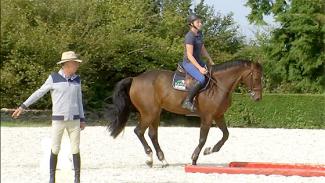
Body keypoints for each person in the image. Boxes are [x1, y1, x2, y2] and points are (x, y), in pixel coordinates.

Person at [12, 51, 86, 183]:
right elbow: (39, 93)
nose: (76, 66)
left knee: (75, 148)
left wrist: (82, 118)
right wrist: (23, 106)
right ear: (66, 65)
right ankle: (52, 178)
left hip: (74, 120)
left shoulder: (77, 79)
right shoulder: (53, 78)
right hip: (58, 120)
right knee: (55, 148)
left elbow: (79, 100)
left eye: (76, 64)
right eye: (75, 64)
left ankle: (77, 179)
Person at [182, 13, 214, 112]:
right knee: (201, 79)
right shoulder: (189, 37)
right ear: (192, 24)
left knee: (213, 74)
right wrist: (200, 68)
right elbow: (190, 56)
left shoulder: (199, 34)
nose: (200, 24)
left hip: (199, 61)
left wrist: (209, 59)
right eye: (198, 22)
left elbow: (202, 48)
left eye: (201, 22)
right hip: (189, 63)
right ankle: (187, 101)